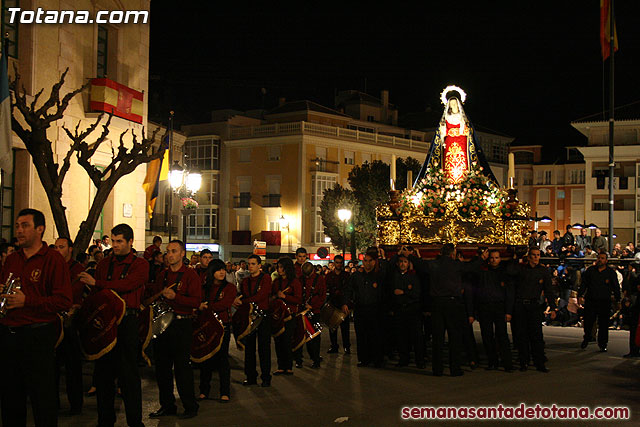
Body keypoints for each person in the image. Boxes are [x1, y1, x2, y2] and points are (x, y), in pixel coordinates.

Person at [0, 209, 72, 427]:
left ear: (40, 229)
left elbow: (63, 301)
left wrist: (27, 301)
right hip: (10, 334)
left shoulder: (53, 260)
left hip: (37, 335)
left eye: (25, 226)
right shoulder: (12, 259)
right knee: (10, 399)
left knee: (42, 399)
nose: (19, 231)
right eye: (18, 225)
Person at [78, 223, 148, 427]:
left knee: (129, 377)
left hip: (128, 322)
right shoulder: (103, 264)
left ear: (130, 242)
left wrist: (98, 283)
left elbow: (128, 285)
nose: (115, 245)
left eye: (119, 241)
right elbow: (97, 294)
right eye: (113, 241)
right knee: (103, 375)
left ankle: (135, 422)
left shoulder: (140, 264)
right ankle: (105, 420)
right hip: (105, 323)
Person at [405, 244, 485, 376]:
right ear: (453, 254)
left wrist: (410, 256)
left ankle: (437, 369)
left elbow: (421, 265)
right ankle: (455, 368)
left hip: (437, 303)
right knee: (455, 337)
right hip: (453, 303)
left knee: (438, 337)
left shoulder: (434, 264)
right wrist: (481, 258)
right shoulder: (456, 265)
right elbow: (471, 267)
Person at [148, 240, 201, 419]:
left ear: (182, 254)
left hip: (181, 324)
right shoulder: (162, 274)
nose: (170, 255)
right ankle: (167, 405)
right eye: (168, 251)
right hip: (163, 325)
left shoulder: (190, 275)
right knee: (162, 369)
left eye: (174, 251)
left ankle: (190, 406)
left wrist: (176, 297)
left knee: (182, 369)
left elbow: (195, 302)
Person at [507, 248, 556, 373]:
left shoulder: (543, 271)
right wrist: (515, 259)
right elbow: (510, 272)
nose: (535, 258)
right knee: (522, 335)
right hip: (520, 305)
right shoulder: (521, 269)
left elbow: (549, 290)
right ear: (528, 257)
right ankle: (524, 362)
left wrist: (553, 308)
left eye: (538, 255)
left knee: (537, 336)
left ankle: (539, 362)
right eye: (533, 255)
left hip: (534, 306)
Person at [54, 237, 87, 416]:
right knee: (53, 366)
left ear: (70, 249)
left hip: (70, 323)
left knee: (73, 366)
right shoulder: (52, 267)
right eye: (56, 247)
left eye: (62, 247)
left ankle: (76, 404)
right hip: (53, 322)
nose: (58, 250)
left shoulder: (78, 270)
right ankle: (53, 402)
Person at [196, 259, 236, 402]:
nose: (222, 272)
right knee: (206, 359)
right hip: (206, 326)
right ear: (212, 272)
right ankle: (204, 390)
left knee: (222, 360)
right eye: (219, 270)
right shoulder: (204, 288)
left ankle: (225, 392)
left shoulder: (230, 288)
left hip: (222, 327)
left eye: (223, 269)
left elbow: (225, 304)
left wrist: (207, 306)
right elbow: (198, 303)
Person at [345, 249, 389, 368]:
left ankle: (377, 359)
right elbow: (349, 290)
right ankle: (364, 359)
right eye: (365, 260)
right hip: (360, 309)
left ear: (374, 262)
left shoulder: (380, 276)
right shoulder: (357, 276)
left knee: (375, 335)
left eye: (370, 261)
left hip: (376, 310)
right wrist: (346, 303)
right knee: (361, 335)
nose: (367, 263)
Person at [234, 254, 273, 387]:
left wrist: (243, 301)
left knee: (264, 349)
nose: (250, 266)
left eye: (253, 264)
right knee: (249, 349)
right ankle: (250, 376)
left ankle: (266, 377)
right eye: (249, 264)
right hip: (249, 315)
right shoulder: (246, 281)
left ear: (259, 265)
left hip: (263, 317)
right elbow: (244, 294)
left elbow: (262, 295)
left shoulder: (266, 278)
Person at [473, 249, 513, 372]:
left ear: (500, 259)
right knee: (487, 335)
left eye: (496, 258)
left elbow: (509, 293)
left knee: (502, 335)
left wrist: (508, 311)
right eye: (491, 258)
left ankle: (507, 363)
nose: (494, 260)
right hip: (485, 307)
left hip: (499, 307)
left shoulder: (504, 273)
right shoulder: (483, 272)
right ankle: (492, 361)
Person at [578, 252, 621, 352]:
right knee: (588, 322)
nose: (600, 260)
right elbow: (584, 283)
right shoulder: (591, 271)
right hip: (591, 300)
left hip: (604, 301)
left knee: (603, 324)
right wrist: (580, 295)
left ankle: (603, 343)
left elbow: (616, 287)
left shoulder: (610, 273)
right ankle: (587, 338)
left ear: (606, 260)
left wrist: (618, 300)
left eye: (602, 258)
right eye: (599, 258)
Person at [390, 253, 424, 368]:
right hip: (399, 310)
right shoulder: (394, 276)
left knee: (417, 337)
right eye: (400, 262)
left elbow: (416, 294)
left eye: (405, 262)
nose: (402, 264)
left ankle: (420, 360)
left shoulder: (414, 277)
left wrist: (404, 292)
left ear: (408, 264)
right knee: (401, 336)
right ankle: (403, 359)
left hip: (413, 310)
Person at [271, 257, 302, 375]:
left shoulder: (295, 282)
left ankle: (288, 366)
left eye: (281, 267)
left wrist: (285, 297)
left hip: (289, 315)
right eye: (278, 267)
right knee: (278, 340)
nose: (279, 270)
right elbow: (272, 296)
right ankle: (280, 366)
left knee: (287, 341)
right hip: (278, 316)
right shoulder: (276, 282)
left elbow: (298, 299)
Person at [293, 262, 326, 368]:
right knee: (299, 335)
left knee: (314, 337)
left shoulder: (319, 279)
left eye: (308, 275)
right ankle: (298, 360)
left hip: (314, 311)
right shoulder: (300, 279)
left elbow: (322, 295)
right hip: (301, 311)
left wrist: (314, 306)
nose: (306, 277)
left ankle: (315, 359)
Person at [325, 254, 351, 354]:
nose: (339, 265)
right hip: (333, 303)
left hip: (343, 304)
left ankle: (346, 346)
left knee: (345, 328)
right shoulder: (329, 276)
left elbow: (348, 290)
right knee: (332, 327)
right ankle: (334, 345)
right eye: (337, 262)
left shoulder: (346, 275)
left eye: (340, 263)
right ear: (334, 263)